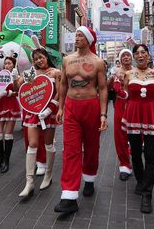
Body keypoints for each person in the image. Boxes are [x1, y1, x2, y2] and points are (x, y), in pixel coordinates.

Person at [54, 26, 108, 214]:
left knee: (92, 146)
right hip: (71, 107)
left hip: (90, 106)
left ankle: (90, 179)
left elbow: (103, 89)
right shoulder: (67, 59)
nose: (76, 38)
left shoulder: (98, 62)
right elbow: (63, 84)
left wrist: (103, 114)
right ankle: (69, 195)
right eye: (76, 35)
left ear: (88, 39)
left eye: (80, 35)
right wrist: (60, 107)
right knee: (70, 149)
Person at [118, 44, 154, 214]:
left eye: (144, 52)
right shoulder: (128, 74)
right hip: (133, 114)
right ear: (134, 57)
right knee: (135, 152)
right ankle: (140, 180)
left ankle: (147, 193)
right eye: (137, 53)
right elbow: (127, 94)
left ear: (149, 56)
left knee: (150, 154)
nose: (140, 55)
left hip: (150, 114)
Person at [19, 48, 61, 197]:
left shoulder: (55, 72)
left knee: (48, 144)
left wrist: (50, 109)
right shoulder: (31, 73)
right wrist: (17, 76)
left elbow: (60, 92)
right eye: (35, 59)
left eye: (41, 57)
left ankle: (48, 176)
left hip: (48, 113)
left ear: (46, 57)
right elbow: (21, 87)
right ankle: (29, 182)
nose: (38, 61)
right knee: (33, 144)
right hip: (33, 113)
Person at [0, 55, 21, 173]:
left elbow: (18, 91)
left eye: (9, 63)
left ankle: (6, 160)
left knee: (8, 135)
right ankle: (0, 157)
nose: (7, 65)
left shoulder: (16, 76)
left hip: (10, 105)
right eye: (5, 63)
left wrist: (8, 91)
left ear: (14, 65)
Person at [107, 49, 133, 181]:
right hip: (120, 104)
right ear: (120, 58)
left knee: (136, 133)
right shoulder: (115, 72)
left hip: (135, 104)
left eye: (128, 55)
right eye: (124, 55)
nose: (126, 57)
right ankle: (124, 164)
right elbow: (107, 88)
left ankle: (134, 153)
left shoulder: (137, 71)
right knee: (120, 133)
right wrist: (112, 80)